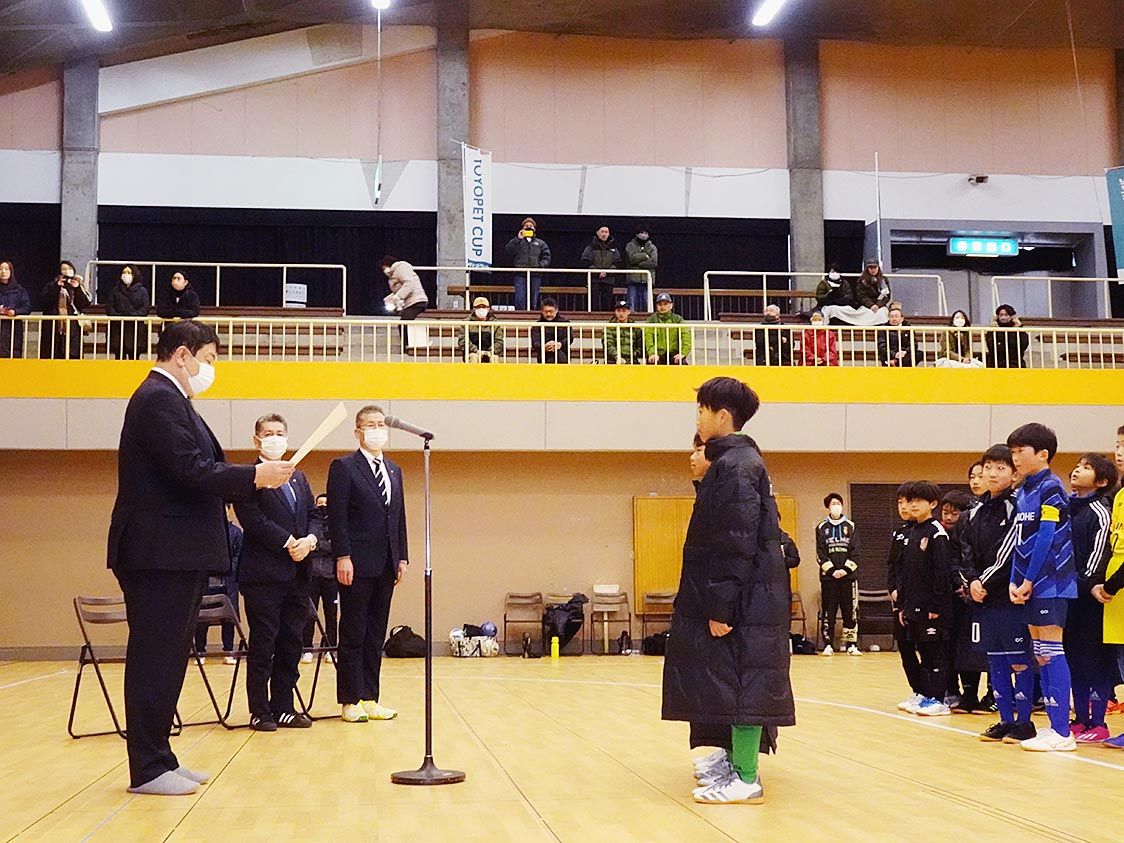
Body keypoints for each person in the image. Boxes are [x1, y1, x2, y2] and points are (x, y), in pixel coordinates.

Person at [106, 320, 293, 795]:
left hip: (175, 551)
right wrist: (254, 476)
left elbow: (198, 468)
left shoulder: (172, 400)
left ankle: (161, 758)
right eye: (208, 359)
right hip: (158, 551)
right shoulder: (158, 399)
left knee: (169, 657)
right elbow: (190, 469)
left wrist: (252, 477)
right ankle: (147, 767)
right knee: (154, 657)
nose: (211, 368)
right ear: (183, 355)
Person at [662, 377, 795, 805]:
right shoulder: (733, 463)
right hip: (746, 599)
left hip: (745, 602)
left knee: (743, 684)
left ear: (722, 415)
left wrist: (721, 606)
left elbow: (734, 543)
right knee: (730, 681)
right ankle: (735, 763)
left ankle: (746, 778)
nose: (697, 418)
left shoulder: (738, 467)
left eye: (702, 410)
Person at [235, 414, 318, 731]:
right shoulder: (248, 478)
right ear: (256, 440)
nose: (275, 438)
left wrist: (309, 541)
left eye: (280, 433)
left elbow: (313, 514)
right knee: (264, 644)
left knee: (291, 642)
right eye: (268, 433)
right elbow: (253, 520)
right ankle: (260, 710)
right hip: (263, 576)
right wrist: (288, 542)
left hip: (298, 574)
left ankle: (284, 706)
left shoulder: (298, 477)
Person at [327, 405, 409, 723]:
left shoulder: (394, 470)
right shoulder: (344, 467)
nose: (377, 430)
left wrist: (402, 556)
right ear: (358, 432)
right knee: (353, 632)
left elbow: (398, 517)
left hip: (386, 563)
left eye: (380, 424)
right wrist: (342, 556)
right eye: (370, 425)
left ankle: (370, 697)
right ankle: (350, 699)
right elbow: (337, 517)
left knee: (376, 634)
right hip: (356, 563)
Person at [1006, 422, 1077, 751]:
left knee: (1051, 649)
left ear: (1043, 454)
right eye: (1013, 452)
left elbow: (1046, 537)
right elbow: (1019, 540)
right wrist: (1014, 579)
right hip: (1029, 583)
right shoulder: (1022, 491)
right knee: (1039, 652)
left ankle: (1062, 731)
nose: (1015, 458)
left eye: (1021, 451)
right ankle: (1052, 726)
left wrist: (1029, 579)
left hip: (1053, 582)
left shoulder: (1051, 487)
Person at [965, 445, 1035, 742]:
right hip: (985, 598)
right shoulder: (976, 511)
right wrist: (971, 580)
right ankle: (1005, 720)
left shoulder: (1018, 506)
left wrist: (984, 581)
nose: (992, 474)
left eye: (1000, 468)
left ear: (1014, 474)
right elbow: (966, 550)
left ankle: (1025, 722)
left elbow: (1011, 551)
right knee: (996, 661)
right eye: (988, 467)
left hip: (1010, 596)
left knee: (1019, 661)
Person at [1065, 453, 1116, 744]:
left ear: (1102, 481)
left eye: (1086, 468)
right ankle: (1080, 719)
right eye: (1078, 465)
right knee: (1073, 659)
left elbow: (1098, 556)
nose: (1077, 470)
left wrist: (1082, 584)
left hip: (1089, 599)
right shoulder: (1067, 507)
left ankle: (1098, 722)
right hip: (1067, 598)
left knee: (1094, 660)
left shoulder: (1100, 511)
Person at [896, 481, 954, 716]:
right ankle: (927, 696)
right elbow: (907, 573)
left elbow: (942, 573)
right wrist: (903, 605)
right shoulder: (913, 532)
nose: (913, 505)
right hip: (914, 606)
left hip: (933, 608)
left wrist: (936, 605)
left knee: (935, 653)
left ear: (932, 504)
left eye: (919, 500)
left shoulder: (936, 533)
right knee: (924, 653)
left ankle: (939, 699)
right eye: (911, 500)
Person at [943, 489, 988, 712]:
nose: (949, 518)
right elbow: (954, 563)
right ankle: (964, 694)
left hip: (983, 595)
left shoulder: (976, 529)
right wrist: (959, 583)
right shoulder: (941, 536)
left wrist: (974, 584)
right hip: (956, 599)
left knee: (983, 649)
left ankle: (990, 695)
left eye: (955, 513)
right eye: (946, 513)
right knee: (959, 649)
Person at [1096, 425, 1124, 748]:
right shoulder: (1118, 496)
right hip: (1115, 596)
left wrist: (1113, 584)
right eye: (1117, 445)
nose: (1119, 452)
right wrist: (1101, 583)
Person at [889, 491, 926, 713]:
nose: (904, 507)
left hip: (919, 601)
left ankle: (930, 692)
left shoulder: (927, 532)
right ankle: (916, 690)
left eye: (908, 502)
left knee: (925, 648)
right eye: (900, 502)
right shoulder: (899, 533)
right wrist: (893, 589)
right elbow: (892, 566)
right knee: (905, 647)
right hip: (901, 601)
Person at [194, 506, 243, 665]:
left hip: (228, 581)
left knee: (228, 619)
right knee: (201, 619)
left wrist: (226, 568)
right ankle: (200, 652)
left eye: (225, 508)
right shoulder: (203, 531)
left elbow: (239, 557)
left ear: (229, 510)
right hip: (206, 580)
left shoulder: (236, 532)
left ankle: (228, 651)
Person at [816, 492, 860, 655]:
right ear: (828, 507)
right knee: (829, 611)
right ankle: (828, 644)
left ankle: (851, 644)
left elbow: (856, 552)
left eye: (838, 503)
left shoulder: (851, 526)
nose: (836, 506)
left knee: (850, 611)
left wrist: (845, 570)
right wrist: (832, 571)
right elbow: (820, 553)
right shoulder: (821, 528)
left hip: (848, 578)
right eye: (833, 504)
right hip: (829, 578)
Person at [303, 492, 338, 658]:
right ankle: (307, 648)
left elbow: (335, 547)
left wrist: (318, 546)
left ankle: (330, 649)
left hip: (331, 577)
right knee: (309, 613)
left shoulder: (336, 526)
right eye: (320, 504)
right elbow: (309, 547)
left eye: (326, 504)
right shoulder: (310, 526)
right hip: (312, 576)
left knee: (331, 614)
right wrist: (318, 546)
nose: (323, 507)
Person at [39, 260, 90, 360]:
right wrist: (56, 287)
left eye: (69, 269)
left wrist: (77, 288)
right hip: (54, 327)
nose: (67, 271)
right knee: (53, 354)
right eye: (64, 269)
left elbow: (84, 304)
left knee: (72, 357)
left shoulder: (78, 286)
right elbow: (44, 301)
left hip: (73, 329)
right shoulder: (51, 285)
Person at [820, 258, 890, 326]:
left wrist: (878, 305)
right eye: (870, 268)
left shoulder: (883, 280)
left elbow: (887, 296)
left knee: (882, 313)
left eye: (875, 267)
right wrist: (871, 305)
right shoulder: (861, 280)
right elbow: (861, 296)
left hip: (879, 306)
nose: (873, 270)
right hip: (866, 306)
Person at [505, 217, 551, 310]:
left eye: (531, 226)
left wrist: (540, 265)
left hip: (535, 274)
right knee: (520, 297)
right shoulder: (517, 242)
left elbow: (547, 256)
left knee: (534, 297)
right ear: (522, 228)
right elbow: (508, 250)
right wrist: (518, 239)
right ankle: (520, 314)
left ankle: (533, 313)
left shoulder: (540, 243)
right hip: (520, 274)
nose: (529, 227)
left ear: (535, 229)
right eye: (526, 226)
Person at [106, 265, 151, 360]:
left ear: (135, 274)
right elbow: (109, 308)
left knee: (134, 358)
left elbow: (145, 309)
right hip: (118, 328)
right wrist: (120, 316)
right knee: (119, 357)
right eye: (124, 272)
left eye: (129, 272)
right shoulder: (115, 290)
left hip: (135, 329)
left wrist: (132, 315)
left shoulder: (142, 291)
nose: (125, 275)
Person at [580, 225, 622, 313]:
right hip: (594, 280)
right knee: (593, 303)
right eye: (602, 231)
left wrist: (607, 272)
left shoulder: (613, 247)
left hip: (609, 280)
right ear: (597, 233)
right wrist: (597, 272)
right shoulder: (591, 247)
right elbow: (585, 261)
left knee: (607, 303)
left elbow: (618, 263)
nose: (604, 234)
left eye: (606, 232)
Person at [644, 293, 692, 365]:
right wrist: (652, 353)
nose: (662, 307)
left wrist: (683, 353)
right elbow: (648, 338)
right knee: (652, 362)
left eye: (665, 304)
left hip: (673, 354)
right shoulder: (651, 320)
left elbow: (686, 338)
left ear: (671, 305)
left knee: (682, 363)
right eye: (660, 304)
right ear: (656, 306)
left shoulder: (678, 319)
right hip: (657, 354)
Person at [0, 261, 33, 358]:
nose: (3, 271)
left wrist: (15, 312)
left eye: (6, 269)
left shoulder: (19, 290)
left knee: (13, 353)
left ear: (11, 272)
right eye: (0, 269)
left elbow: (27, 307)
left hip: (13, 328)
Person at [457, 296, 505, 363]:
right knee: (474, 357)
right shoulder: (466, 323)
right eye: (478, 307)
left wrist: (491, 352)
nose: (481, 309)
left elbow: (499, 341)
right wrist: (476, 351)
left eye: (484, 307)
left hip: (490, 353)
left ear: (488, 309)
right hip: (472, 353)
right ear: (474, 309)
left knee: (494, 358)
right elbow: (463, 341)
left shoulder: (495, 324)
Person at [380, 255, 428, 321]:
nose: (384, 270)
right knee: (404, 322)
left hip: (416, 301)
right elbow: (399, 289)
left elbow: (409, 283)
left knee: (404, 323)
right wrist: (389, 299)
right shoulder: (393, 275)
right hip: (409, 302)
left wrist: (398, 296)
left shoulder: (401, 268)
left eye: (384, 268)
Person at [985, 304, 1030, 369]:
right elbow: (990, 346)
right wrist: (993, 328)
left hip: (1015, 365)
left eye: (1006, 315)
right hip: (996, 366)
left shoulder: (1017, 330)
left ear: (1011, 317)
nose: (1003, 317)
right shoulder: (993, 330)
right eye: (1001, 315)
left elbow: (1024, 344)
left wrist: (1019, 326)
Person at [624, 225, 657, 313]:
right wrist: (645, 256)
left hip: (647, 281)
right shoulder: (630, 245)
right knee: (631, 305)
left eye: (646, 233)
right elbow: (631, 258)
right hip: (633, 280)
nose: (643, 235)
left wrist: (639, 264)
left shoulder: (652, 247)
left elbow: (653, 262)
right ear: (637, 234)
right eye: (642, 233)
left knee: (647, 304)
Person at [877, 302, 920, 367]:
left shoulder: (908, 327)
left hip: (904, 354)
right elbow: (882, 346)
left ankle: (895, 362)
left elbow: (914, 344)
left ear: (902, 318)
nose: (894, 319)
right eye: (891, 317)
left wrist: (905, 352)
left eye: (896, 316)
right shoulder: (883, 328)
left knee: (919, 354)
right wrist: (895, 354)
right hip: (890, 354)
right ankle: (895, 362)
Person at [531, 298, 572, 364]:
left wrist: (559, 344)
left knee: (559, 355)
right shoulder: (537, 325)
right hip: (544, 355)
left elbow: (569, 338)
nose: (548, 314)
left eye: (551, 311)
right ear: (542, 311)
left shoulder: (565, 323)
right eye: (546, 312)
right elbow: (535, 342)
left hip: (562, 353)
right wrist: (544, 347)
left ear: (556, 310)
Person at [604, 299, 643, 365]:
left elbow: (640, 347)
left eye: (624, 311)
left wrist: (632, 355)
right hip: (612, 361)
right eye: (618, 311)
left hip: (632, 360)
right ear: (615, 312)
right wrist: (617, 357)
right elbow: (609, 345)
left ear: (629, 312)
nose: (621, 313)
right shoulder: (609, 327)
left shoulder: (636, 328)